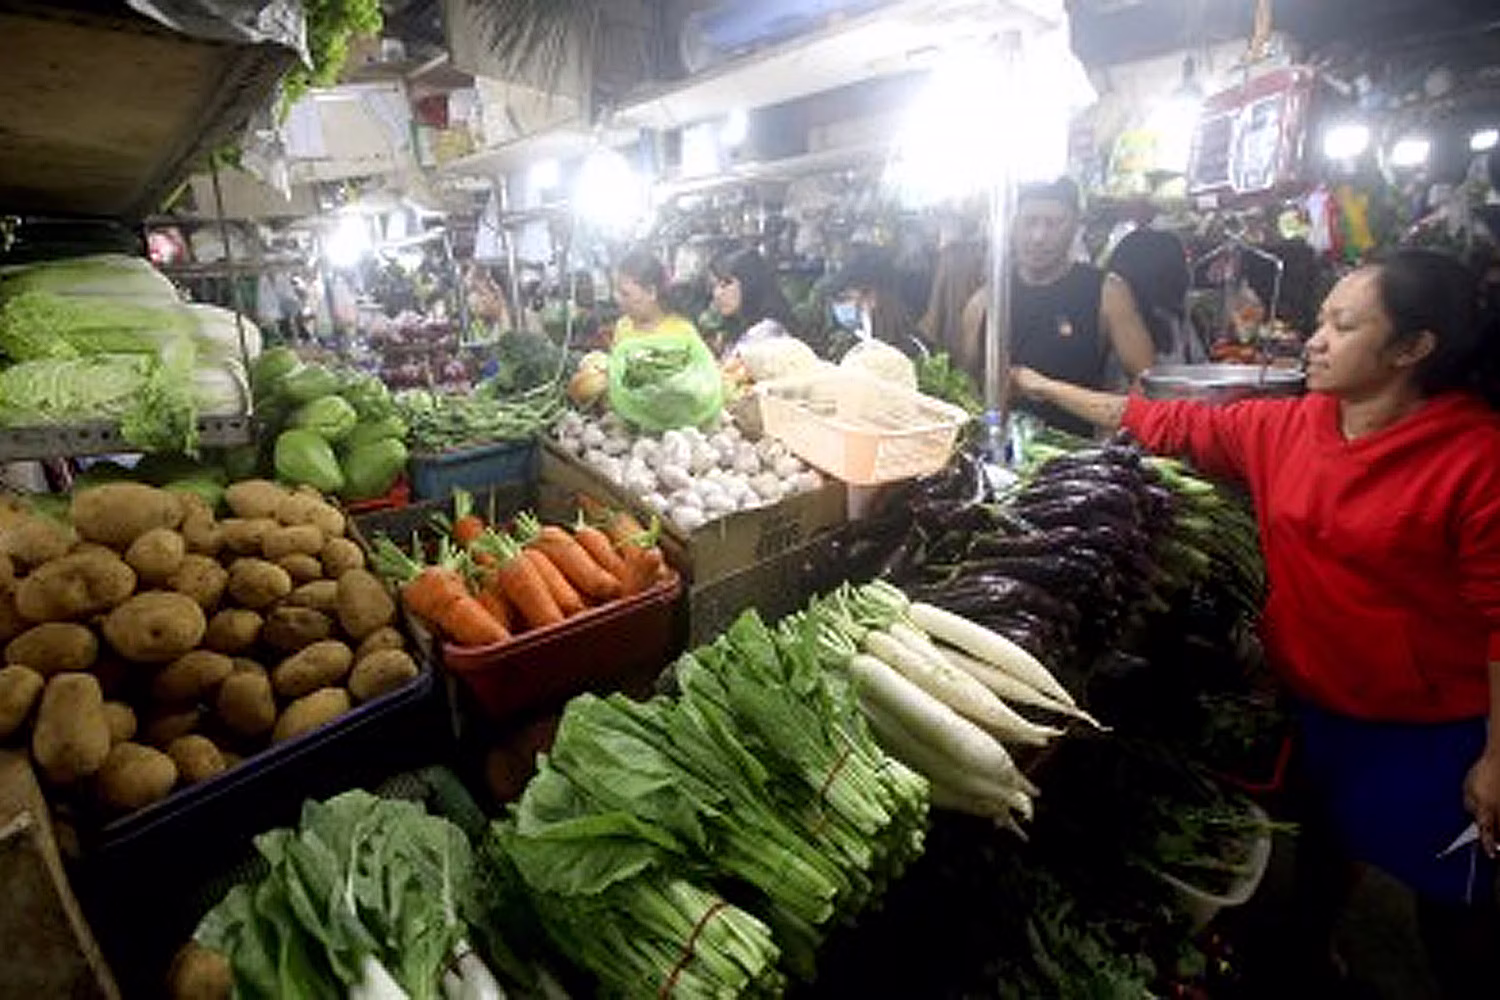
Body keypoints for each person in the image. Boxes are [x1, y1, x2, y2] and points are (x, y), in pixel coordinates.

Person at [1010, 248, 1500, 998]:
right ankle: (1310, 955)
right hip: (1318, 698)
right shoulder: (1291, 426)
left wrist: (1498, 757)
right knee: (1329, 845)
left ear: (1412, 349)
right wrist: (1039, 385)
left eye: (1343, 325)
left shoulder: (1475, 459)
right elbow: (1157, 419)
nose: (1314, 339)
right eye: (1322, 319)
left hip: (1430, 726)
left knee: (1455, 905)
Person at [960, 177, 1157, 436]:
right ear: (1012, 225)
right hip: (1000, 456)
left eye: (1053, 224)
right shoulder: (985, 301)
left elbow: (1149, 381)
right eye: (1029, 222)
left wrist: (1115, 432)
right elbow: (965, 387)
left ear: (1075, 226)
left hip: (1076, 458)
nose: (1039, 236)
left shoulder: (1107, 292)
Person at [826, 244, 926, 356]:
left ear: (872, 297)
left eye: (846, 299)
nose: (840, 308)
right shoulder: (851, 343)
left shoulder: (911, 346)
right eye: (836, 302)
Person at [611, 248, 701, 346]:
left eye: (625, 294)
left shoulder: (683, 333)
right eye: (616, 292)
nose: (617, 299)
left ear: (651, 292)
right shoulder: (623, 326)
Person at [709, 247, 796, 346]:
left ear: (749, 283)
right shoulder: (738, 327)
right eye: (713, 285)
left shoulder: (768, 332)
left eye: (727, 283)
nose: (717, 294)